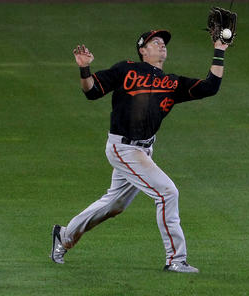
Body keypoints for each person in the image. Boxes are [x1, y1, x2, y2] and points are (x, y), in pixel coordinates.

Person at [50, 29, 229, 273]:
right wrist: (84, 69)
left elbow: (210, 86)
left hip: (144, 152)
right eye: (155, 42)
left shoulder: (172, 83)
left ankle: (64, 236)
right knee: (167, 193)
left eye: (163, 42)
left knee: (115, 205)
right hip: (123, 147)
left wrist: (219, 49)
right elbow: (91, 91)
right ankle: (176, 259)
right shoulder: (126, 69)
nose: (162, 45)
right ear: (142, 50)